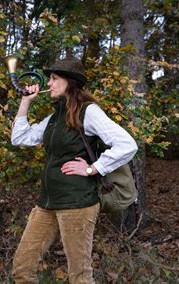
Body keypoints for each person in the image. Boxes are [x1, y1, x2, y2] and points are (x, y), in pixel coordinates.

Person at [11, 55, 138, 284]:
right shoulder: (54, 118)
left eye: (54, 78)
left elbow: (127, 144)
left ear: (69, 81)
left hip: (78, 204)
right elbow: (20, 138)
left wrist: (92, 169)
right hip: (47, 203)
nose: (49, 83)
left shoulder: (88, 112)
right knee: (22, 267)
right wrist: (26, 102)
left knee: (79, 276)